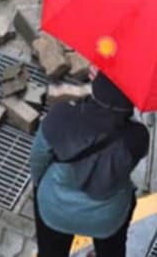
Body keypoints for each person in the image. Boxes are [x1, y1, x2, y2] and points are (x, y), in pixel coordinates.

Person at [31, 71, 149, 256]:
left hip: (55, 209)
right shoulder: (137, 137)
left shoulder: (60, 116)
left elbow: (38, 162)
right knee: (113, 249)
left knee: (50, 252)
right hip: (106, 219)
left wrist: (42, 187)